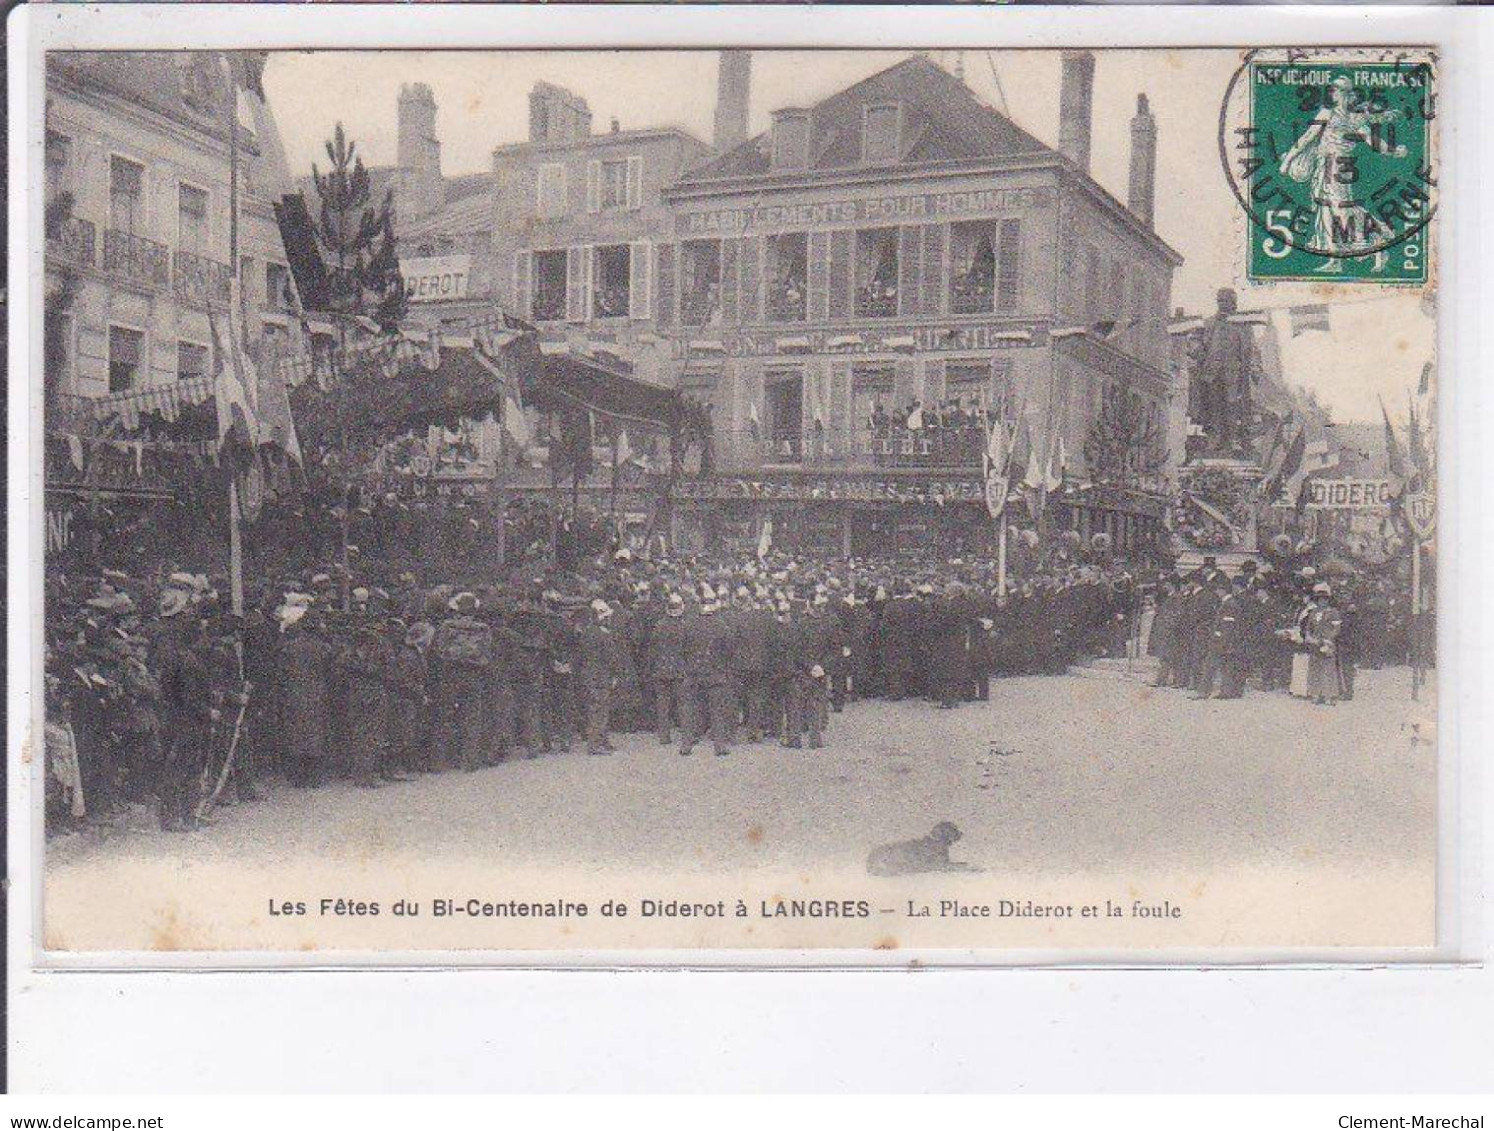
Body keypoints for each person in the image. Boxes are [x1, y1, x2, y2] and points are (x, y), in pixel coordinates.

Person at [153, 587, 215, 831]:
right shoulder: (181, 655)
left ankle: (181, 816)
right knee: (183, 767)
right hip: (185, 718)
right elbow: (188, 694)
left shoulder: (167, 647)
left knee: (178, 766)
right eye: (186, 615)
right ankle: (180, 817)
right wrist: (206, 711)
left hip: (172, 716)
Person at [577, 599, 622, 755]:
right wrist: (616, 674)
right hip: (602, 675)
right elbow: (612, 657)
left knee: (595, 708)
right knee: (600, 710)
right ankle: (596, 744)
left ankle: (600, 740)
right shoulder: (604, 634)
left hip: (589, 674)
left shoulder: (586, 632)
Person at [648, 592, 690, 748]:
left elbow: (652, 649)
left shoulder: (658, 626)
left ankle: (664, 736)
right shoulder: (685, 626)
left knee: (663, 704)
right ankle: (686, 734)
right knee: (683, 704)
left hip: (661, 669)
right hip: (679, 669)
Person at [1304, 582, 1345, 705]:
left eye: (1325, 599)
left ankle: (1329, 695)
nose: (1322, 602)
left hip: (1328, 642)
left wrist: (1329, 639)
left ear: (1328, 600)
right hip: (1315, 642)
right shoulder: (1312, 612)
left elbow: (1336, 629)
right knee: (1315, 668)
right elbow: (1308, 627)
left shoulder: (1333, 612)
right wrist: (1309, 637)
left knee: (1328, 669)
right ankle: (1316, 694)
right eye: (1320, 599)